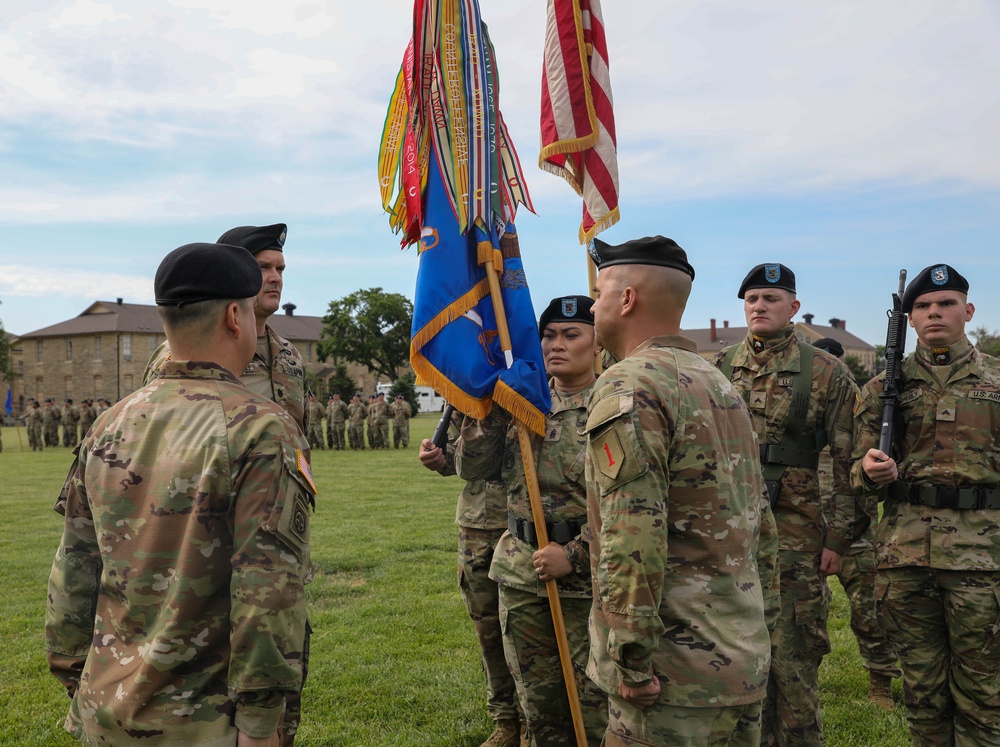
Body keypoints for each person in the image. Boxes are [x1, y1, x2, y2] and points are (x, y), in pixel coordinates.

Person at [45, 242, 314, 747]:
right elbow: (268, 588)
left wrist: (76, 675)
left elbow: (73, 568)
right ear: (236, 316)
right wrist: (260, 723)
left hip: (106, 709)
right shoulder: (260, 428)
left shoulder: (108, 424)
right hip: (206, 723)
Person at [585, 236, 777, 747]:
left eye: (600, 293)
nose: (592, 306)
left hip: (671, 675)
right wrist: (763, 629)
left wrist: (630, 654)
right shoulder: (717, 382)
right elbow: (761, 521)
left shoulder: (632, 383)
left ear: (627, 300)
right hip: (737, 653)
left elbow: (633, 531)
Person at [711, 263, 859, 747]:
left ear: (793, 308)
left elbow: (846, 461)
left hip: (797, 540)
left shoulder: (826, 371)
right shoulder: (717, 368)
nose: (759, 306)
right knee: (729, 662)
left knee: (793, 670)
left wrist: (837, 539)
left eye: (771, 298)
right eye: (751, 299)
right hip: (728, 539)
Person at [852, 264, 1000, 745]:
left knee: (986, 693)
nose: (934, 312)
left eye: (946, 303)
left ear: (968, 311)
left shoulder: (996, 381)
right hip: (906, 560)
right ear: (910, 319)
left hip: (984, 561)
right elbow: (853, 474)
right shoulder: (880, 390)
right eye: (922, 307)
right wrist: (869, 472)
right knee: (923, 693)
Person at [457, 294, 609, 747]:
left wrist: (576, 554)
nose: (556, 345)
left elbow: (630, 505)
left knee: (595, 707)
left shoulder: (614, 401)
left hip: (588, 578)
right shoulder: (523, 401)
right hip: (523, 573)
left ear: (597, 342)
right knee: (539, 710)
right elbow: (473, 468)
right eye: (548, 335)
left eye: (571, 334)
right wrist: (491, 407)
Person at [419, 407, 524, 747]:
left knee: (532, 627)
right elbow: (455, 455)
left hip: (530, 519)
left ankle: (535, 719)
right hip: (479, 523)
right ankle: (506, 721)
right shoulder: (468, 386)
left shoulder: (537, 373)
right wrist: (438, 457)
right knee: (488, 630)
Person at [143, 223, 308, 437]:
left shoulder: (290, 355)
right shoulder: (181, 353)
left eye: (280, 269)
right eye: (263, 267)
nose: (276, 278)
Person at [812, 337, 900, 709]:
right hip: (804, 525)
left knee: (870, 611)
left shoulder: (861, 410)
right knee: (801, 613)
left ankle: (880, 681)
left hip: (856, 528)